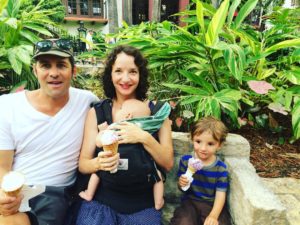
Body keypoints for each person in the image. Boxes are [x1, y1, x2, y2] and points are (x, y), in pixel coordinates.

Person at [0, 38, 98, 225]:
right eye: (45, 66)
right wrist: (4, 197)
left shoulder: (87, 102)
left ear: (74, 71)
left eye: (61, 65)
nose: (54, 73)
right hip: (18, 192)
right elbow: (2, 166)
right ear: (35, 70)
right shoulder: (8, 106)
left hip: (58, 196)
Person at [76, 45, 173, 225]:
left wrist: (143, 137)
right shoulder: (97, 113)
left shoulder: (157, 114)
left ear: (140, 75)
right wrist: (99, 162)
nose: (125, 78)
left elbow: (167, 163)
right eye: (118, 71)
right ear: (110, 75)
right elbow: (83, 164)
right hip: (101, 202)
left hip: (142, 206)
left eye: (133, 72)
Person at [79, 99, 165, 210]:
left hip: (113, 164)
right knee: (158, 176)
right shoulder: (144, 131)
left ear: (128, 116)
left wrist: (102, 131)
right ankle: (158, 202)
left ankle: (89, 193)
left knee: (97, 173)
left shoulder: (116, 128)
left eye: (120, 109)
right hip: (139, 170)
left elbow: (99, 142)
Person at [170, 116, 232, 225]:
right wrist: (181, 183)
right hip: (190, 202)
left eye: (210, 144)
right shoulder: (186, 161)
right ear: (192, 139)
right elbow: (182, 189)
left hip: (212, 204)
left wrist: (213, 215)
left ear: (219, 145)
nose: (203, 148)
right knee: (183, 222)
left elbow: (221, 194)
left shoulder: (220, 168)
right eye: (198, 141)